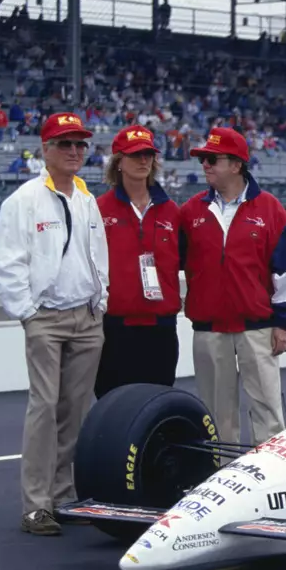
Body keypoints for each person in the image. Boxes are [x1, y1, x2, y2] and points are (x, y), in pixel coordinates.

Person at [0, 112, 108, 536]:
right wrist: (27, 312)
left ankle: (63, 494)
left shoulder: (86, 198)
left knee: (74, 411)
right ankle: (36, 504)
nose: (75, 152)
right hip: (47, 318)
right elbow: (6, 265)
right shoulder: (23, 200)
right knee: (44, 408)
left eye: (80, 145)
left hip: (87, 316)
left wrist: (101, 300)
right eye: (65, 144)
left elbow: (98, 255)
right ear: (45, 150)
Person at [179, 126, 286, 446]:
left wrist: (283, 323)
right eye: (203, 159)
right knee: (216, 415)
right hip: (209, 329)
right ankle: (222, 481)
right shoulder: (191, 211)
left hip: (258, 328)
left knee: (267, 411)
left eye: (211, 159)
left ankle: (272, 480)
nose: (204, 164)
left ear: (236, 165)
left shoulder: (270, 209)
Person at [94, 125, 181, 399]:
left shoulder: (172, 211)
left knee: (157, 405)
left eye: (148, 154)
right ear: (118, 162)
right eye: (135, 155)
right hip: (115, 327)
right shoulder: (99, 209)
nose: (143, 160)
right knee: (113, 406)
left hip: (161, 328)